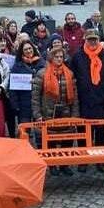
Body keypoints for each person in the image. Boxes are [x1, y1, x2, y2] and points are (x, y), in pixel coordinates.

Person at [71, 29, 104, 173]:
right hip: (83, 99)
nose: (92, 42)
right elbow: (72, 76)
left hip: (100, 99)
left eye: (95, 39)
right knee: (83, 130)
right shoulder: (78, 55)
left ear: (98, 39)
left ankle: (99, 159)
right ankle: (83, 159)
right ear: (85, 39)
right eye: (90, 39)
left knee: (100, 131)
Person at [31, 47, 79, 176]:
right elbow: (35, 97)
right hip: (48, 113)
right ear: (51, 58)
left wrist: (75, 115)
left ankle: (64, 165)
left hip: (65, 112)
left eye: (61, 57)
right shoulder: (42, 73)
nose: (59, 59)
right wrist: (37, 115)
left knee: (67, 139)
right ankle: (52, 165)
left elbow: (74, 97)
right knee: (50, 140)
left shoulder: (69, 73)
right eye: (56, 57)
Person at [9, 41, 45, 126]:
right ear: (22, 52)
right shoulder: (17, 66)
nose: (28, 51)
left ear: (33, 49)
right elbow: (12, 89)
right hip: (24, 105)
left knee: (39, 133)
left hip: (39, 104)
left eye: (30, 48)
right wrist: (15, 104)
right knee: (24, 132)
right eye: (25, 49)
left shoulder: (42, 63)